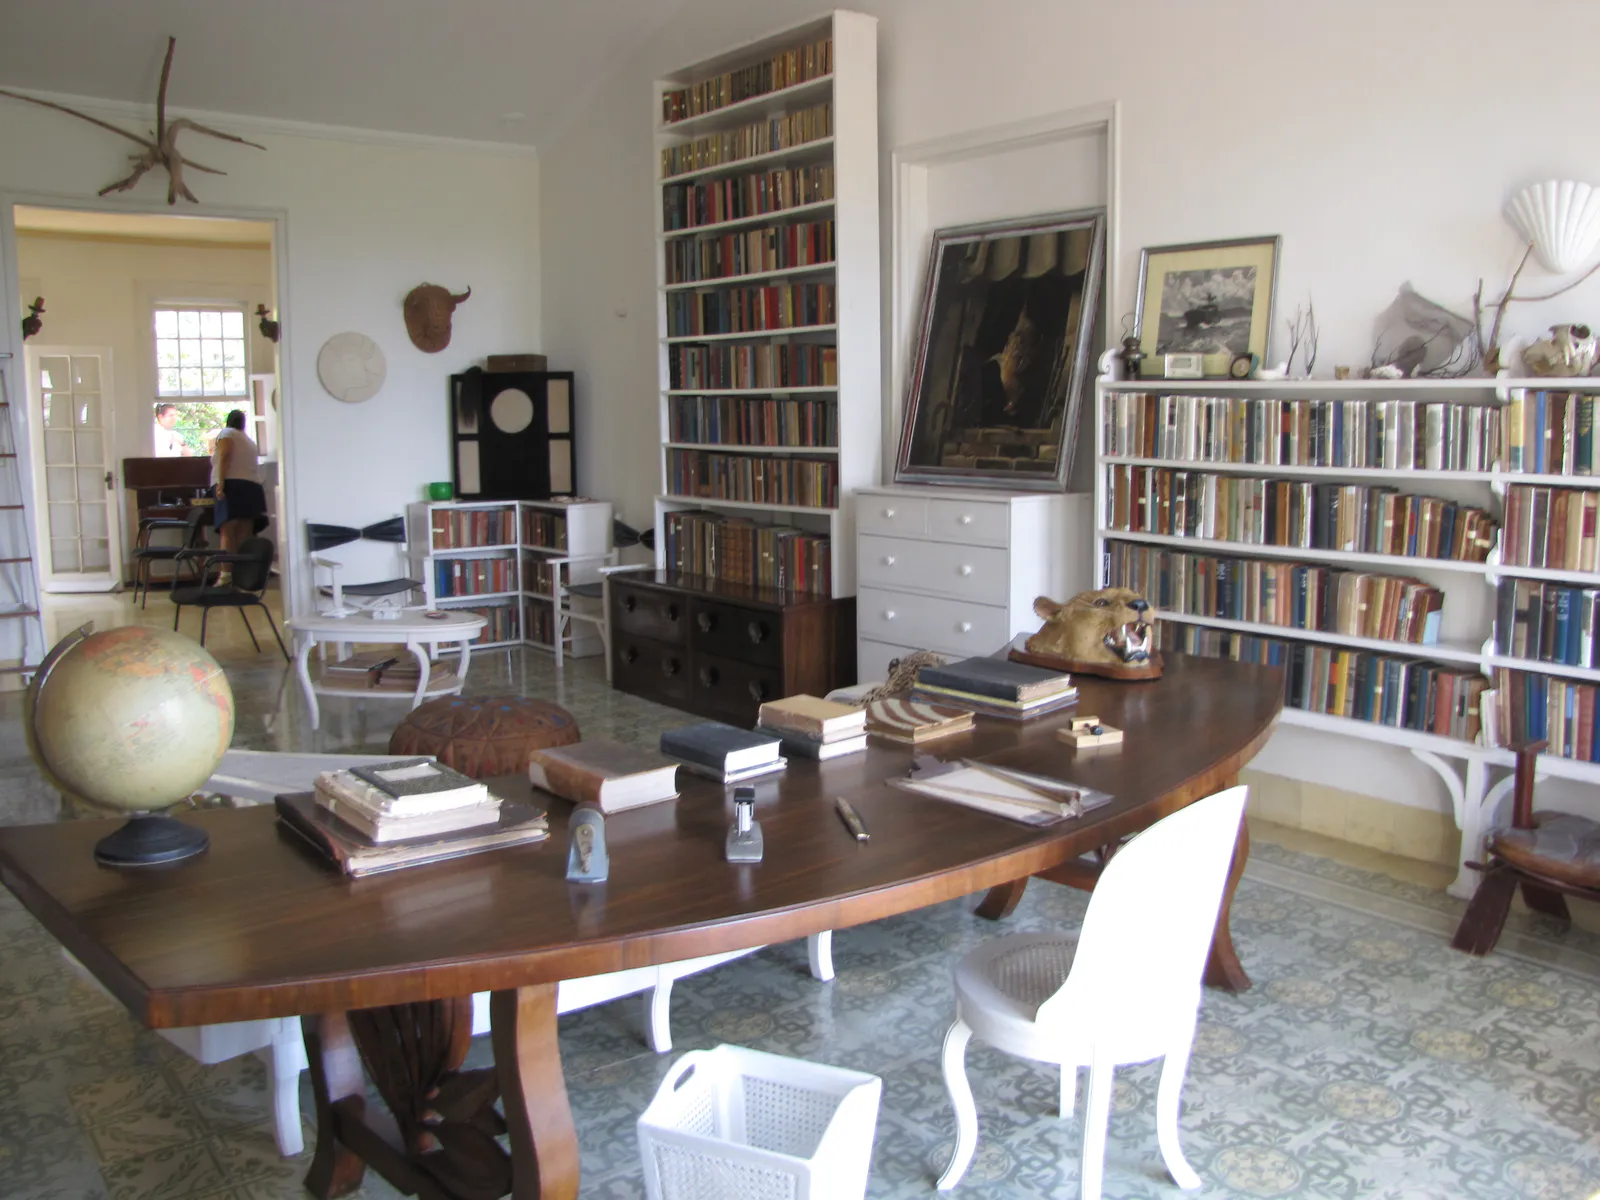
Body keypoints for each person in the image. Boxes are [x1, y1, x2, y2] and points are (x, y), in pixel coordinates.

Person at [211, 410, 266, 558]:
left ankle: (226, 573)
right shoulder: (248, 441)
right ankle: (245, 572)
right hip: (252, 487)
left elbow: (225, 455)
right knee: (246, 532)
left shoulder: (227, 433)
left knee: (227, 530)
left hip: (233, 485)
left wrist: (221, 484)